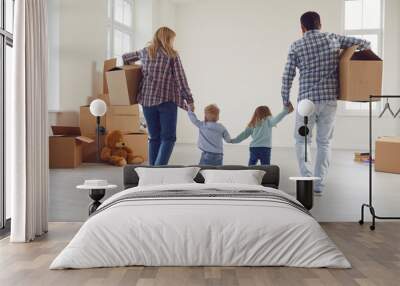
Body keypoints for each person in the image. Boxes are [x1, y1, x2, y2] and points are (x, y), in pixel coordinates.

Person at [281, 11, 371, 195]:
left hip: (306, 103)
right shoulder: (333, 39)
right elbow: (364, 43)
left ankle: (306, 181)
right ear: (320, 24)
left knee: (302, 141)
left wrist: (285, 100)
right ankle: (319, 186)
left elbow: (287, 76)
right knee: (324, 143)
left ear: (302, 27)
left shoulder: (296, 46)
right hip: (329, 101)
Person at [122, 27, 194, 166]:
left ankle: (151, 172)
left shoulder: (144, 52)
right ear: (167, 39)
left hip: (147, 101)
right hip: (166, 100)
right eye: (172, 39)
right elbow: (180, 79)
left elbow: (125, 58)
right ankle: (158, 170)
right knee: (168, 138)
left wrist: (135, 71)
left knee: (154, 137)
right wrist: (189, 100)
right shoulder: (171, 55)